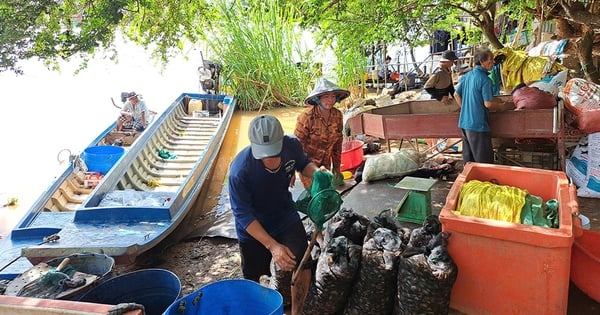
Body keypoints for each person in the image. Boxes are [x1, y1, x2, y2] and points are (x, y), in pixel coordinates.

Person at [228, 115, 325, 315]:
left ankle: (297, 312)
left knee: (301, 260)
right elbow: (243, 215)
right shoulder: (239, 171)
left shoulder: (292, 145)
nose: (271, 159)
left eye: (275, 152)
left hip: (283, 214)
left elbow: (303, 163)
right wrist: (273, 246)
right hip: (253, 226)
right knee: (254, 277)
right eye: (265, 154)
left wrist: (317, 173)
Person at [454, 48, 509, 164]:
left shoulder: (467, 76)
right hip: (478, 126)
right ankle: (483, 182)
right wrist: (502, 107)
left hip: (465, 124)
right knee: (483, 162)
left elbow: (456, 95)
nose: (493, 62)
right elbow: (488, 104)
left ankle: (469, 181)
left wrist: (466, 109)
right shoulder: (485, 80)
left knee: (469, 162)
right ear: (482, 61)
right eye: (491, 59)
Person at [294, 77, 350, 188]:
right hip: (307, 165)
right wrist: (291, 172)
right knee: (315, 193)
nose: (330, 100)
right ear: (318, 99)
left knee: (326, 192)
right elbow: (295, 145)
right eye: (326, 97)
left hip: (326, 164)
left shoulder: (337, 115)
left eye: (333, 96)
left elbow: (337, 144)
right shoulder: (306, 117)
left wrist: (337, 169)